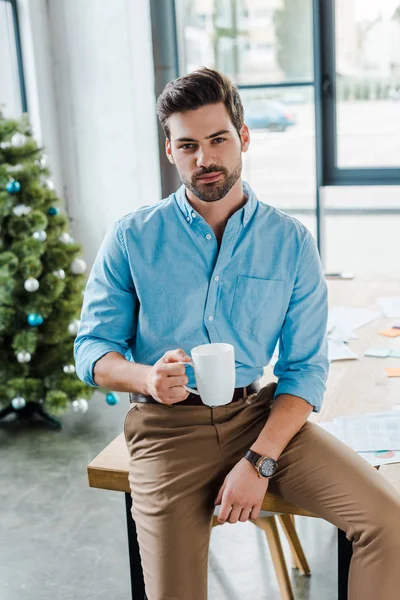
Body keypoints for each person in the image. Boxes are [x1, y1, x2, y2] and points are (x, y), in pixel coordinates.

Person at [74, 67, 400, 600]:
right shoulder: (132, 238)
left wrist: (260, 460)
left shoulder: (291, 242)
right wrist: (146, 378)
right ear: (170, 151)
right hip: (166, 432)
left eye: (218, 139)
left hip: (259, 420)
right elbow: (91, 350)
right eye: (188, 145)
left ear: (243, 138)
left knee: (387, 520)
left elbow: (305, 371)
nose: (205, 159)